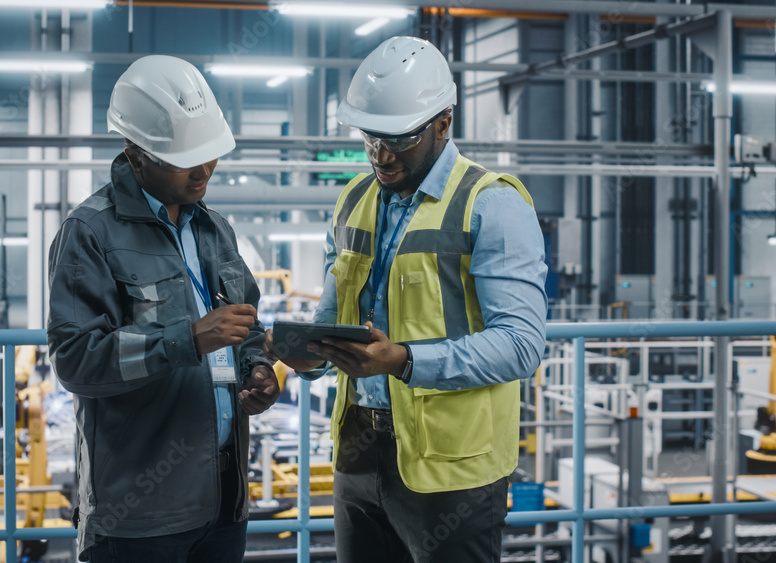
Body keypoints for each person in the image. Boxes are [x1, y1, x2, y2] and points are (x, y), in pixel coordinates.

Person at [265, 36, 548, 563]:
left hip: (451, 467)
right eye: (371, 137)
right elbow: (334, 320)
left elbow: (521, 344)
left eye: (400, 138)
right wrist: (304, 354)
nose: (382, 154)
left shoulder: (492, 205)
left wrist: (406, 361)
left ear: (444, 122)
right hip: (358, 453)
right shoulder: (353, 199)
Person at [47, 55, 280, 563]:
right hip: (140, 515)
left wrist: (256, 369)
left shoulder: (215, 229)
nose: (203, 170)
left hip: (223, 497)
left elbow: (244, 326)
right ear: (136, 155)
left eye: (210, 153)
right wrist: (187, 340)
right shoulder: (90, 233)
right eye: (183, 159)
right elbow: (77, 361)